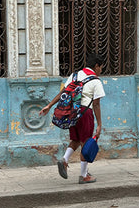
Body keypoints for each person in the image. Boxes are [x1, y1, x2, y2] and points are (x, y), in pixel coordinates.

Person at [39, 53, 105, 183]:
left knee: (76, 139)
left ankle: (64, 160)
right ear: (96, 66)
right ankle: (84, 175)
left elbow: (63, 93)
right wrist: (99, 124)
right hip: (85, 113)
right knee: (85, 143)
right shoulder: (96, 81)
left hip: (72, 112)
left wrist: (49, 105)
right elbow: (96, 104)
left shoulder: (75, 75)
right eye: (100, 67)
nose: (100, 70)